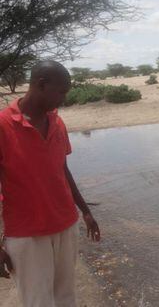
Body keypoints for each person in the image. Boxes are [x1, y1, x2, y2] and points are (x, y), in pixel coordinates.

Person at [0, 60, 100, 307]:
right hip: (27, 233)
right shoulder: (3, 126)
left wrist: (85, 211)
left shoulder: (57, 122)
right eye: (61, 92)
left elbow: (63, 170)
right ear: (41, 84)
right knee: (38, 302)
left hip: (66, 224)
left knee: (66, 296)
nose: (63, 99)